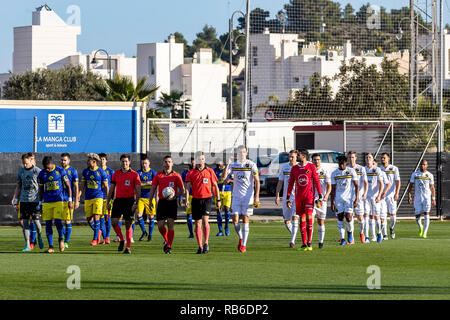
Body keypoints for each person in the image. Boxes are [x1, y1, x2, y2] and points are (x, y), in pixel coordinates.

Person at [223, 145, 260, 253]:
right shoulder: (234, 165)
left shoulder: (251, 164)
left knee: (245, 219)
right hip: (236, 196)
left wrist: (256, 197)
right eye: (239, 152)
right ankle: (241, 238)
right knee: (235, 220)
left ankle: (243, 245)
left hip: (248, 197)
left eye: (243, 152)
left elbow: (257, 181)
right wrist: (228, 163)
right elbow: (224, 178)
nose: (241, 154)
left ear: (246, 152)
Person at [185, 152, 221, 254]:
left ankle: (206, 243)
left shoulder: (210, 171)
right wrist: (187, 199)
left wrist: (218, 200)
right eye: (199, 159)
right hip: (196, 199)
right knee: (197, 224)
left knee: (205, 220)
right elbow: (187, 188)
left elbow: (215, 186)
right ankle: (200, 246)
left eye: (202, 159)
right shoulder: (191, 173)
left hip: (207, 199)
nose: (201, 161)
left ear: (204, 160)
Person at [286, 149, 321, 251]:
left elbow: (316, 181)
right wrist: (288, 197)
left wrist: (319, 194)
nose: (297, 156)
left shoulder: (311, 166)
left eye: (299, 155)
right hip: (298, 197)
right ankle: (304, 243)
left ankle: (309, 242)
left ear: (304, 156)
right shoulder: (294, 168)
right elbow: (290, 183)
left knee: (309, 218)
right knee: (302, 219)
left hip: (309, 197)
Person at [148, 155, 185, 254]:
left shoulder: (176, 176)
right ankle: (166, 239)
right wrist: (150, 200)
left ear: (172, 163)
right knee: (160, 225)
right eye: (165, 162)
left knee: (170, 224)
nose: (167, 163)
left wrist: (175, 196)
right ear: (163, 163)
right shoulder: (158, 175)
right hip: (162, 202)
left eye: (169, 162)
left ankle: (169, 246)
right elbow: (153, 188)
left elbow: (182, 190)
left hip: (172, 202)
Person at [107, 154, 141, 254]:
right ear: (120, 162)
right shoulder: (116, 174)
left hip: (129, 201)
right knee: (114, 222)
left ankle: (128, 248)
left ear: (129, 162)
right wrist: (108, 201)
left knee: (128, 224)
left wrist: (136, 203)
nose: (124, 163)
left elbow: (138, 191)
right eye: (123, 161)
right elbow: (111, 190)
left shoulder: (134, 174)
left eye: (126, 161)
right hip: (118, 201)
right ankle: (121, 239)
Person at [38, 156, 73, 253]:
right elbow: (41, 190)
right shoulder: (42, 174)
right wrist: (40, 203)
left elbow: (68, 186)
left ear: (52, 164)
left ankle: (61, 239)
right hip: (47, 201)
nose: (48, 170)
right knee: (48, 223)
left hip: (59, 200)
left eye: (49, 167)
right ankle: (51, 247)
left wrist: (70, 200)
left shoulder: (60, 171)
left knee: (58, 221)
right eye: (46, 168)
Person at [12, 153, 44, 252]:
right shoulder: (21, 172)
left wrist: (42, 200)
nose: (25, 165)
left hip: (34, 201)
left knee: (36, 222)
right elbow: (18, 186)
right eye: (23, 163)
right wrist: (16, 199)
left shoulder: (37, 171)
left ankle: (39, 235)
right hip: (24, 201)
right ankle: (27, 245)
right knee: (25, 223)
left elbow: (43, 185)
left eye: (26, 163)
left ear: (31, 160)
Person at [80, 153, 109, 246]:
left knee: (97, 217)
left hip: (98, 197)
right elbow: (82, 186)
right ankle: (99, 232)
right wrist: (77, 198)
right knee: (89, 219)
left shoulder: (101, 172)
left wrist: (109, 199)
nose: (87, 162)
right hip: (88, 198)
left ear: (94, 161)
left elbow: (106, 187)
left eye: (89, 160)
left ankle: (95, 239)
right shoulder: (85, 172)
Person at [330, 155, 359, 246]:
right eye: (340, 163)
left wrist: (356, 199)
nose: (341, 165)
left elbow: (356, 186)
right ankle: (342, 238)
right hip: (338, 199)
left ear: (346, 163)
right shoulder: (334, 173)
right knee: (340, 217)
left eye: (343, 163)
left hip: (349, 199)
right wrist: (332, 202)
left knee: (349, 217)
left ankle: (350, 235)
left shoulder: (351, 171)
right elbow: (333, 189)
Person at [275, 150, 300, 248]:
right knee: (286, 220)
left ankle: (292, 241)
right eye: (289, 157)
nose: (290, 158)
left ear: (296, 157)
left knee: (295, 218)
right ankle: (295, 234)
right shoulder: (285, 167)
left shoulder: (300, 167)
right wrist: (277, 195)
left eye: (292, 157)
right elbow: (280, 182)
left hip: (297, 197)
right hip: (286, 197)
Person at [364, 153, 389, 243]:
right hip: (366, 197)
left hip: (375, 197)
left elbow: (382, 184)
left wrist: (379, 195)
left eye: (370, 157)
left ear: (373, 159)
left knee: (376, 217)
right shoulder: (363, 170)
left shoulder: (377, 169)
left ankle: (379, 233)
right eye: (366, 158)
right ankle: (367, 236)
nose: (368, 159)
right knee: (366, 216)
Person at [408, 159, 436, 239]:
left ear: (427, 165)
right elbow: (411, 185)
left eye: (424, 164)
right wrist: (409, 194)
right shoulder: (415, 174)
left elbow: (432, 187)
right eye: (421, 164)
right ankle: (420, 226)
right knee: (417, 215)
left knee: (427, 213)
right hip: (417, 197)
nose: (422, 166)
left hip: (427, 197)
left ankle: (425, 232)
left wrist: (433, 198)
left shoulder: (430, 175)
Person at [311, 153, 332, 249]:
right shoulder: (309, 171)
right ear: (312, 161)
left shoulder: (325, 171)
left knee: (321, 222)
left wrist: (326, 196)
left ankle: (321, 242)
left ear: (320, 161)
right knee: (310, 220)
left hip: (321, 200)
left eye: (318, 159)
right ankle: (308, 242)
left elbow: (329, 186)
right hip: (311, 199)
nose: (316, 161)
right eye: (314, 159)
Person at [347, 151, 368, 243]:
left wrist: (365, 193)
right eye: (350, 157)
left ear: (356, 158)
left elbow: (365, 182)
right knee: (349, 216)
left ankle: (361, 233)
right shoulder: (346, 169)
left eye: (353, 157)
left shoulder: (361, 168)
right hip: (348, 197)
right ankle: (351, 238)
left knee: (360, 217)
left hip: (359, 196)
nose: (351, 159)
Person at [60, 153, 80, 249]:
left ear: (69, 161)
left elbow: (76, 187)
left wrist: (76, 200)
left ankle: (66, 241)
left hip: (68, 200)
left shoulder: (73, 171)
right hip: (58, 200)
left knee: (67, 221)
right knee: (58, 221)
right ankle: (63, 237)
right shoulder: (58, 170)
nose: (63, 162)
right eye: (62, 160)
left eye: (65, 160)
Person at [380, 153, 401, 239]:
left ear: (388, 158)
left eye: (384, 158)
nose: (383, 159)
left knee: (393, 217)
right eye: (381, 158)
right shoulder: (379, 169)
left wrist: (397, 193)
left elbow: (398, 181)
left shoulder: (394, 168)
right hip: (382, 196)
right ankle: (384, 234)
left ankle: (391, 228)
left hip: (391, 195)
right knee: (383, 215)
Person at [136, 156, 157, 241]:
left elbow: (155, 184)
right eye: (143, 163)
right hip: (141, 197)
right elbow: (137, 184)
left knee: (151, 216)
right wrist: (147, 183)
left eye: (146, 163)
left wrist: (157, 195)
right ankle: (144, 232)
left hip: (150, 197)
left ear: (149, 163)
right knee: (138, 215)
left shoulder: (153, 172)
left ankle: (150, 236)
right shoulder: (139, 173)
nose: (144, 165)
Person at [213, 161, 232, 237]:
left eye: (220, 166)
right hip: (218, 192)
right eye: (218, 166)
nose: (219, 167)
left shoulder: (228, 170)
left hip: (227, 192)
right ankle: (220, 230)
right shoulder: (214, 171)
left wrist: (230, 180)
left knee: (227, 209)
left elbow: (235, 179)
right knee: (219, 210)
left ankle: (226, 227)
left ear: (223, 164)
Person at [99, 153, 114, 244]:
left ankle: (107, 237)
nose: (102, 161)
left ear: (106, 160)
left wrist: (113, 197)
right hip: (99, 197)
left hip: (108, 198)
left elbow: (114, 185)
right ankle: (104, 237)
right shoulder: (95, 170)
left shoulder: (110, 171)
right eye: (100, 159)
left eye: (103, 159)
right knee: (101, 218)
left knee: (107, 218)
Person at [181, 158, 195, 238]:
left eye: (194, 163)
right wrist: (181, 197)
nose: (193, 164)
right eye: (191, 163)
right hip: (189, 196)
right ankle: (191, 233)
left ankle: (197, 232)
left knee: (198, 216)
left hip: (197, 196)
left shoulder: (197, 172)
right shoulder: (185, 173)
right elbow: (183, 186)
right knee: (189, 215)